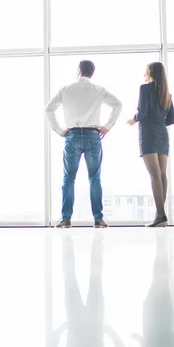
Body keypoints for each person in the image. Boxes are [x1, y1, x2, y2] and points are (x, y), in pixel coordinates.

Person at [45, 60, 123, 228]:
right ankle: (98, 219)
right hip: (93, 136)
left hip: (72, 136)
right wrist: (107, 127)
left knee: (69, 179)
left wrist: (59, 130)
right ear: (91, 73)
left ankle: (65, 219)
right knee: (94, 179)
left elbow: (49, 109)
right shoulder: (99, 90)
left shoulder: (66, 89)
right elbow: (118, 105)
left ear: (79, 70)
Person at [127, 62, 174, 227]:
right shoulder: (166, 94)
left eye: (145, 71)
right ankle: (160, 215)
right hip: (162, 133)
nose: (144, 74)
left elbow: (142, 111)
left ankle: (160, 216)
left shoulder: (144, 88)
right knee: (162, 175)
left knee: (154, 175)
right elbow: (171, 119)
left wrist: (133, 120)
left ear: (151, 72)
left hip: (148, 132)